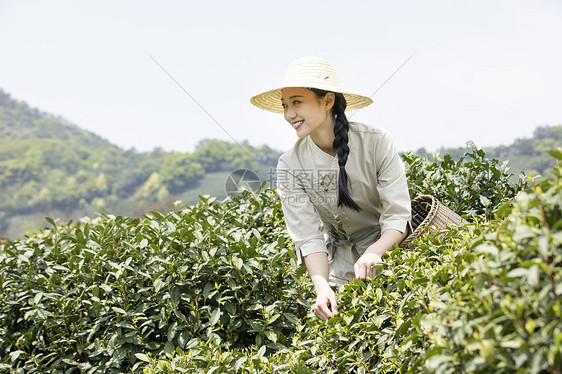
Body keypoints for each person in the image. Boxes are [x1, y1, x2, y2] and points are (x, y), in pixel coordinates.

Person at [250, 56, 411, 321]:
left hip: (392, 250)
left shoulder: (376, 142)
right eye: (285, 105)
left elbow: (398, 216)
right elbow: (308, 236)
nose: (289, 114)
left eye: (297, 102)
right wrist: (322, 286)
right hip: (340, 264)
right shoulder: (290, 164)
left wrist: (374, 253)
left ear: (327, 101)